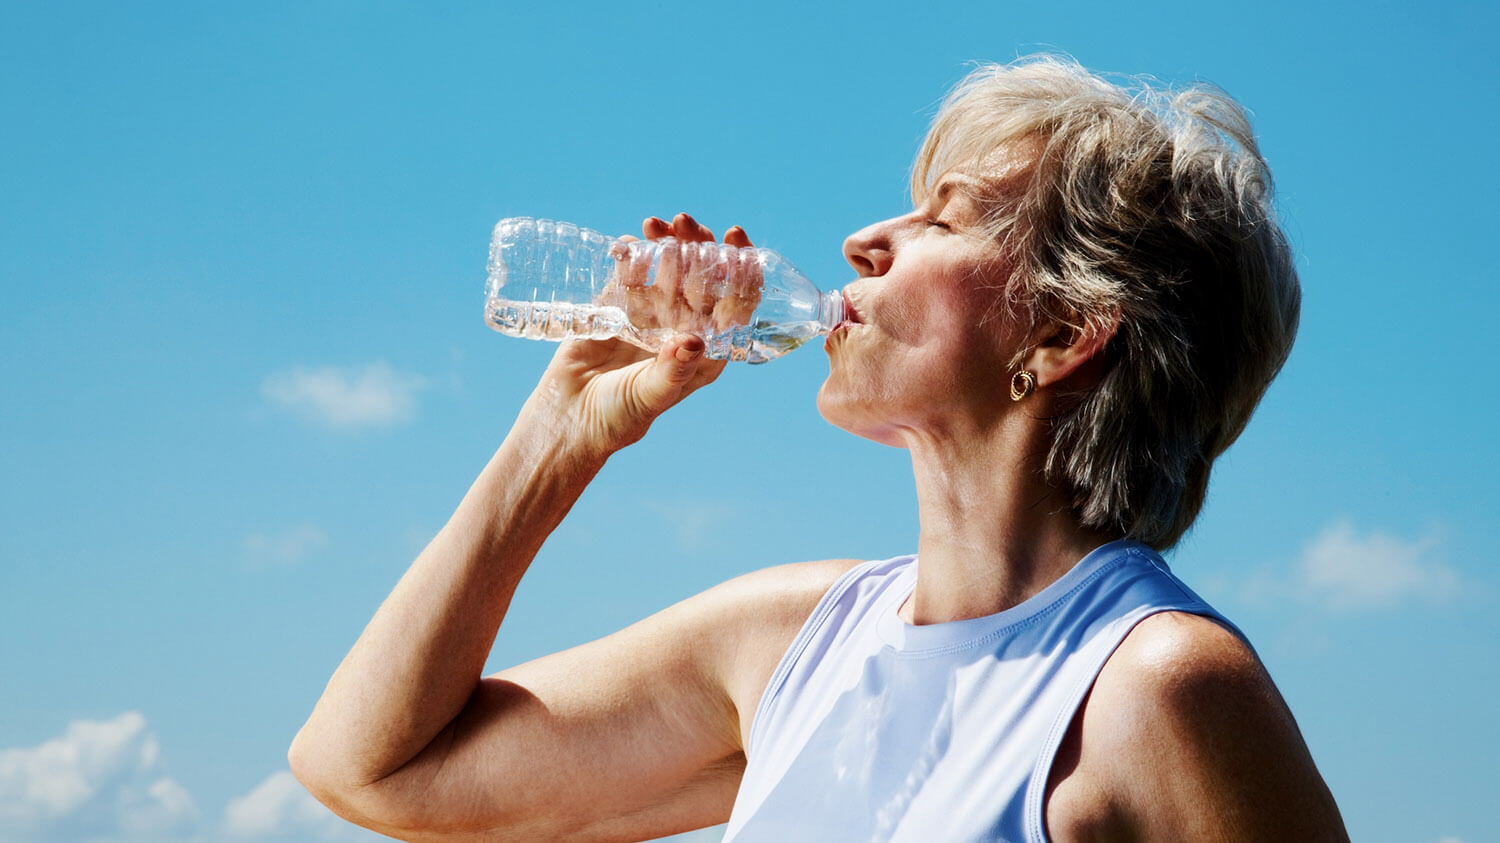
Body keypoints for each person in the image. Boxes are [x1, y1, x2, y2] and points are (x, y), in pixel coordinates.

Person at [289, 56, 1348, 841]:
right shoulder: (791, 640)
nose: (863, 241)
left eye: (948, 218)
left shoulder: (1160, 689)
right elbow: (369, 770)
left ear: (1063, 335)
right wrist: (559, 438)